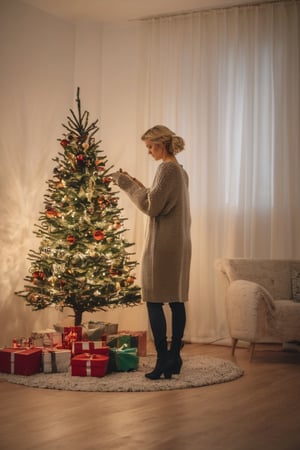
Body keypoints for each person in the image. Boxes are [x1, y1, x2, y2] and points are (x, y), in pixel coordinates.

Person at [111, 125, 191, 380]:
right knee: (176, 300)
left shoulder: (166, 168)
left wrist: (125, 184)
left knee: (154, 300)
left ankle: (163, 359)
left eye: (150, 146)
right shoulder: (180, 170)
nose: (148, 152)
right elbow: (159, 198)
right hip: (179, 243)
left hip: (163, 244)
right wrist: (139, 184)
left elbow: (151, 206)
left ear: (161, 144)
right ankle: (174, 357)